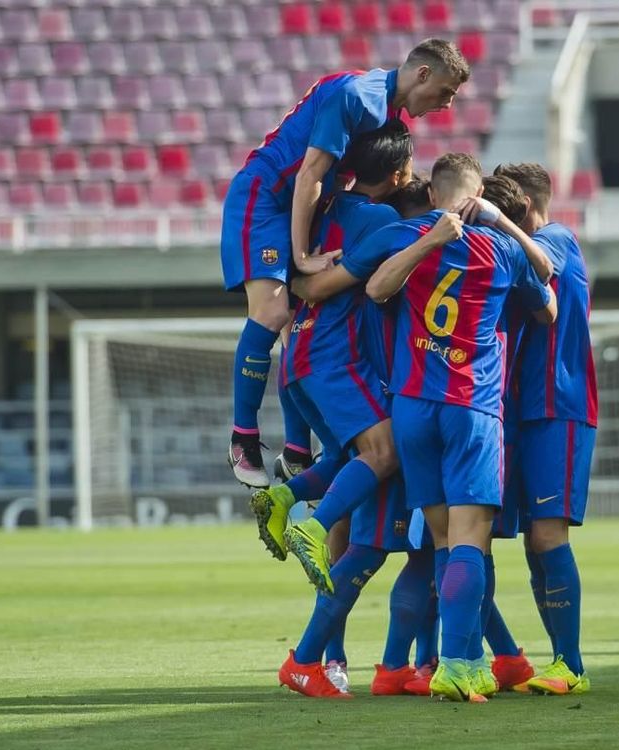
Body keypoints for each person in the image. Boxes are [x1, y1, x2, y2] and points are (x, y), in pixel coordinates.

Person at [224, 39, 470, 490]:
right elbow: (308, 175)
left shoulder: (385, 113)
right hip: (267, 199)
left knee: (294, 325)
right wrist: (302, 255)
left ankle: (297, 450)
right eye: (446, 91)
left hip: (303, 205)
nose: (447, 104)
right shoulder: (357, 96)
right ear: (422, 75)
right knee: (274, 313)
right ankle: (243, 437)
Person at [366, 153, 556, 702]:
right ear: (480, 195)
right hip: (471, 406)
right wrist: (507, 226)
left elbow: (376, 288)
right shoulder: (499, 248)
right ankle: (454, 663)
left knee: (444, 539)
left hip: (412, 408)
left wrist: (425, 242)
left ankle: (468, 658)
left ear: (433, 195)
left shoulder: (409, 234)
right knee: (472, 539)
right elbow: (546, 297)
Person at [251, 121, 424, 591]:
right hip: (335, 359)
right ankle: (310, 520)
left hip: (296, 358)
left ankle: (328, 656)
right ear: (396, 173)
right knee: (384, 451)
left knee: (352, 462)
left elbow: (295, 277)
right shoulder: (383, 222)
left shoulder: (317, 210)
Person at [494, 162, 598, 696]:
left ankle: (571, 664)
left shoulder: (556, 237)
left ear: (528, 209)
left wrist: (497, 221)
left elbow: (540, 269)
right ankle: (557, 661)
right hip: (523, 409)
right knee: (532, 542)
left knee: (546, 534)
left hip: (558, 403)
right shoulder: (520, 250)